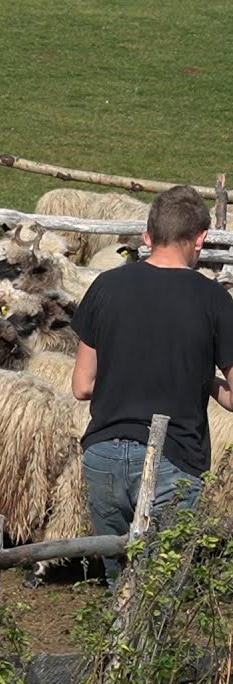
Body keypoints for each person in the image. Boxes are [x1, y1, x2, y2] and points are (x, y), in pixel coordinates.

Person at [72, 184, 233, 580]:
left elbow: (81, 385)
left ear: (147, 238)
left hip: (103, 453)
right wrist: (205, 379)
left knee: (118, 583)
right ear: (201, 239)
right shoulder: (214, 300)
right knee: (156, 592)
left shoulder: (105, 286)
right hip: (173, 458)